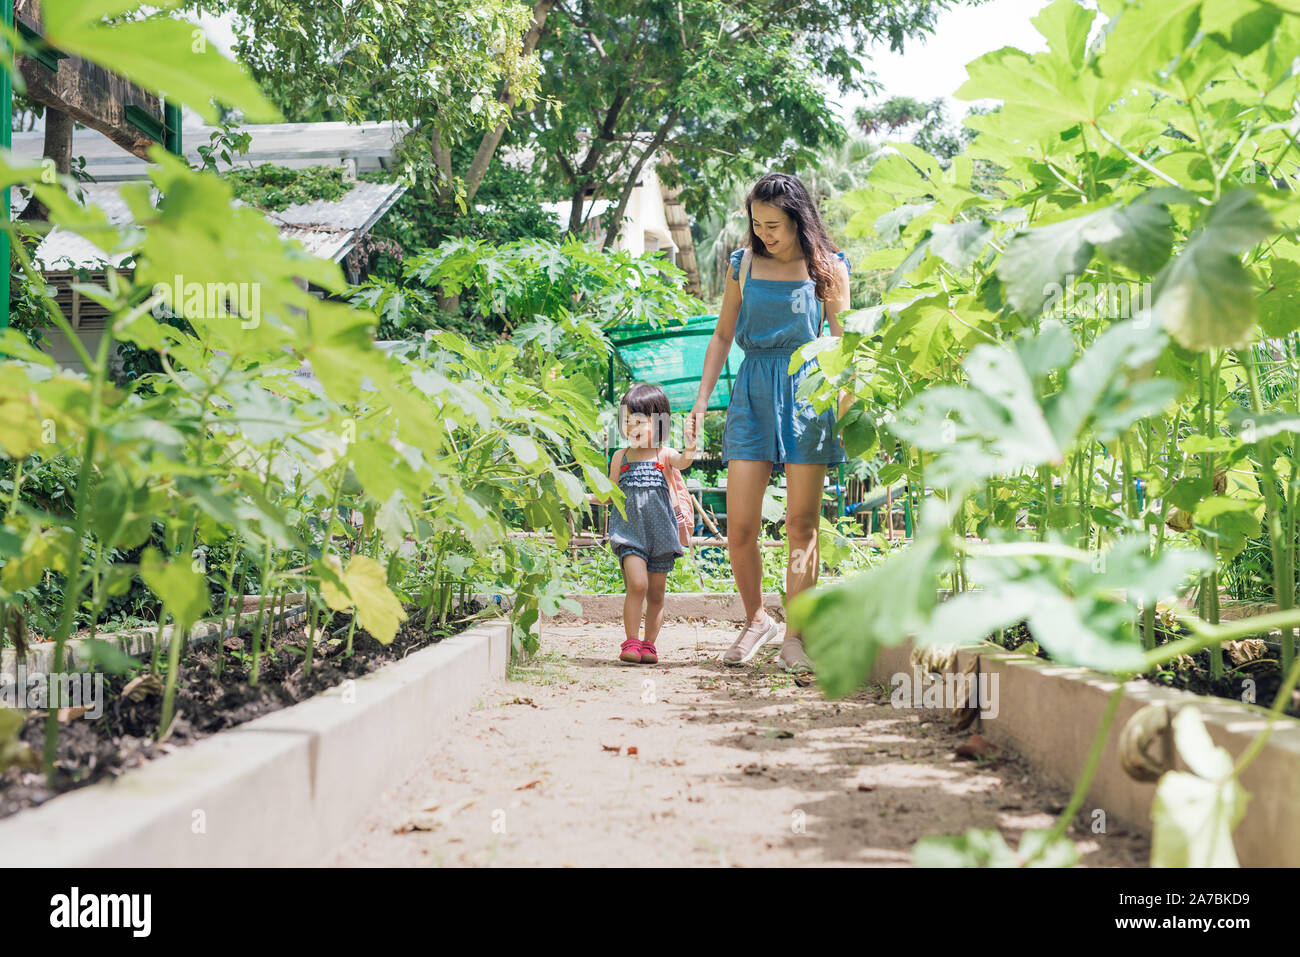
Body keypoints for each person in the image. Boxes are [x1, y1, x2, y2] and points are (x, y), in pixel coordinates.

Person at [684, 172, 852, 674]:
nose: (764, 234)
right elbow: (720, 337)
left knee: (802, 524)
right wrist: (699, 403)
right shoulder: (743, 265)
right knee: (739, 527)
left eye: (774, 225)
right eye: (757, 224)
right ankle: (757, 619)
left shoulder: (829, 268)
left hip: (809, 393)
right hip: (752, 392)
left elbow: (843, 342)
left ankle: (796, 635)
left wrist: (845, 402)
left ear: (799, 219)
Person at [588, 382, 699, 665]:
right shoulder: (621, 456)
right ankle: (631, 642)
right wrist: (581, 496)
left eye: (640, 421)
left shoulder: (664, 454)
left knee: (657, 594)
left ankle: (649, 644)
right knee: (637, 585)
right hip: (630, 534)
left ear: (660, 423)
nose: (631, 427)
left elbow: (684, 461)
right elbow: (609, 495)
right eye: (627, 421)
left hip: (661, 536)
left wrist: (690, 445)